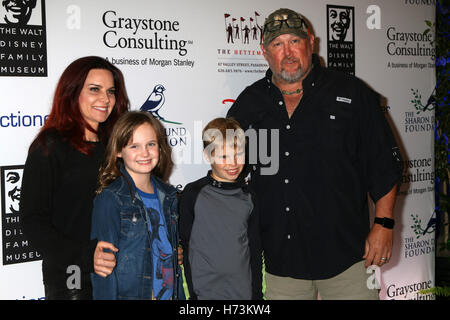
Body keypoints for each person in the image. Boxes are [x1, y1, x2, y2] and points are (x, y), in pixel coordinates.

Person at [227, 8, 402, 300]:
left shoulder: (352, 93)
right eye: (277, 44)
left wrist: (384, 225)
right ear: (265, 52)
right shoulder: (249, 103)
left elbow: (383, 163)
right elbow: (226, 171)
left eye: (294, 41)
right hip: (281, 261)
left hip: (348, 257)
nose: (288, 52)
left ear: (311, 41)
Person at [20, 56, 129, 300]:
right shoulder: (50, 146)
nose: (105, 99)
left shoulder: (118, 146)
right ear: (72, 92)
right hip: (73, 278)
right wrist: (84, 255)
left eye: (110, 91)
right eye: (94, 89)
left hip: (124, 273)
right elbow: (32, 221)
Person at [90, 111, 185, 300]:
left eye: (151, 144)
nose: (145, 153)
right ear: (118, 151)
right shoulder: (111, 199)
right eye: (134, 146)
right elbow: (103, 271)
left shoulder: (169, 196)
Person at [179, 117, 262, 300]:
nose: (233, 163)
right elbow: (186, 248)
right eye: (223, 156)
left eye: (238, 154)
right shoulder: (193, 194)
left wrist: (256, 296)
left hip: (243, 296)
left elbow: (254, 250)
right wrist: (193, 294)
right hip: (204, 296)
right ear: (208, 155)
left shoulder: (249, 196)